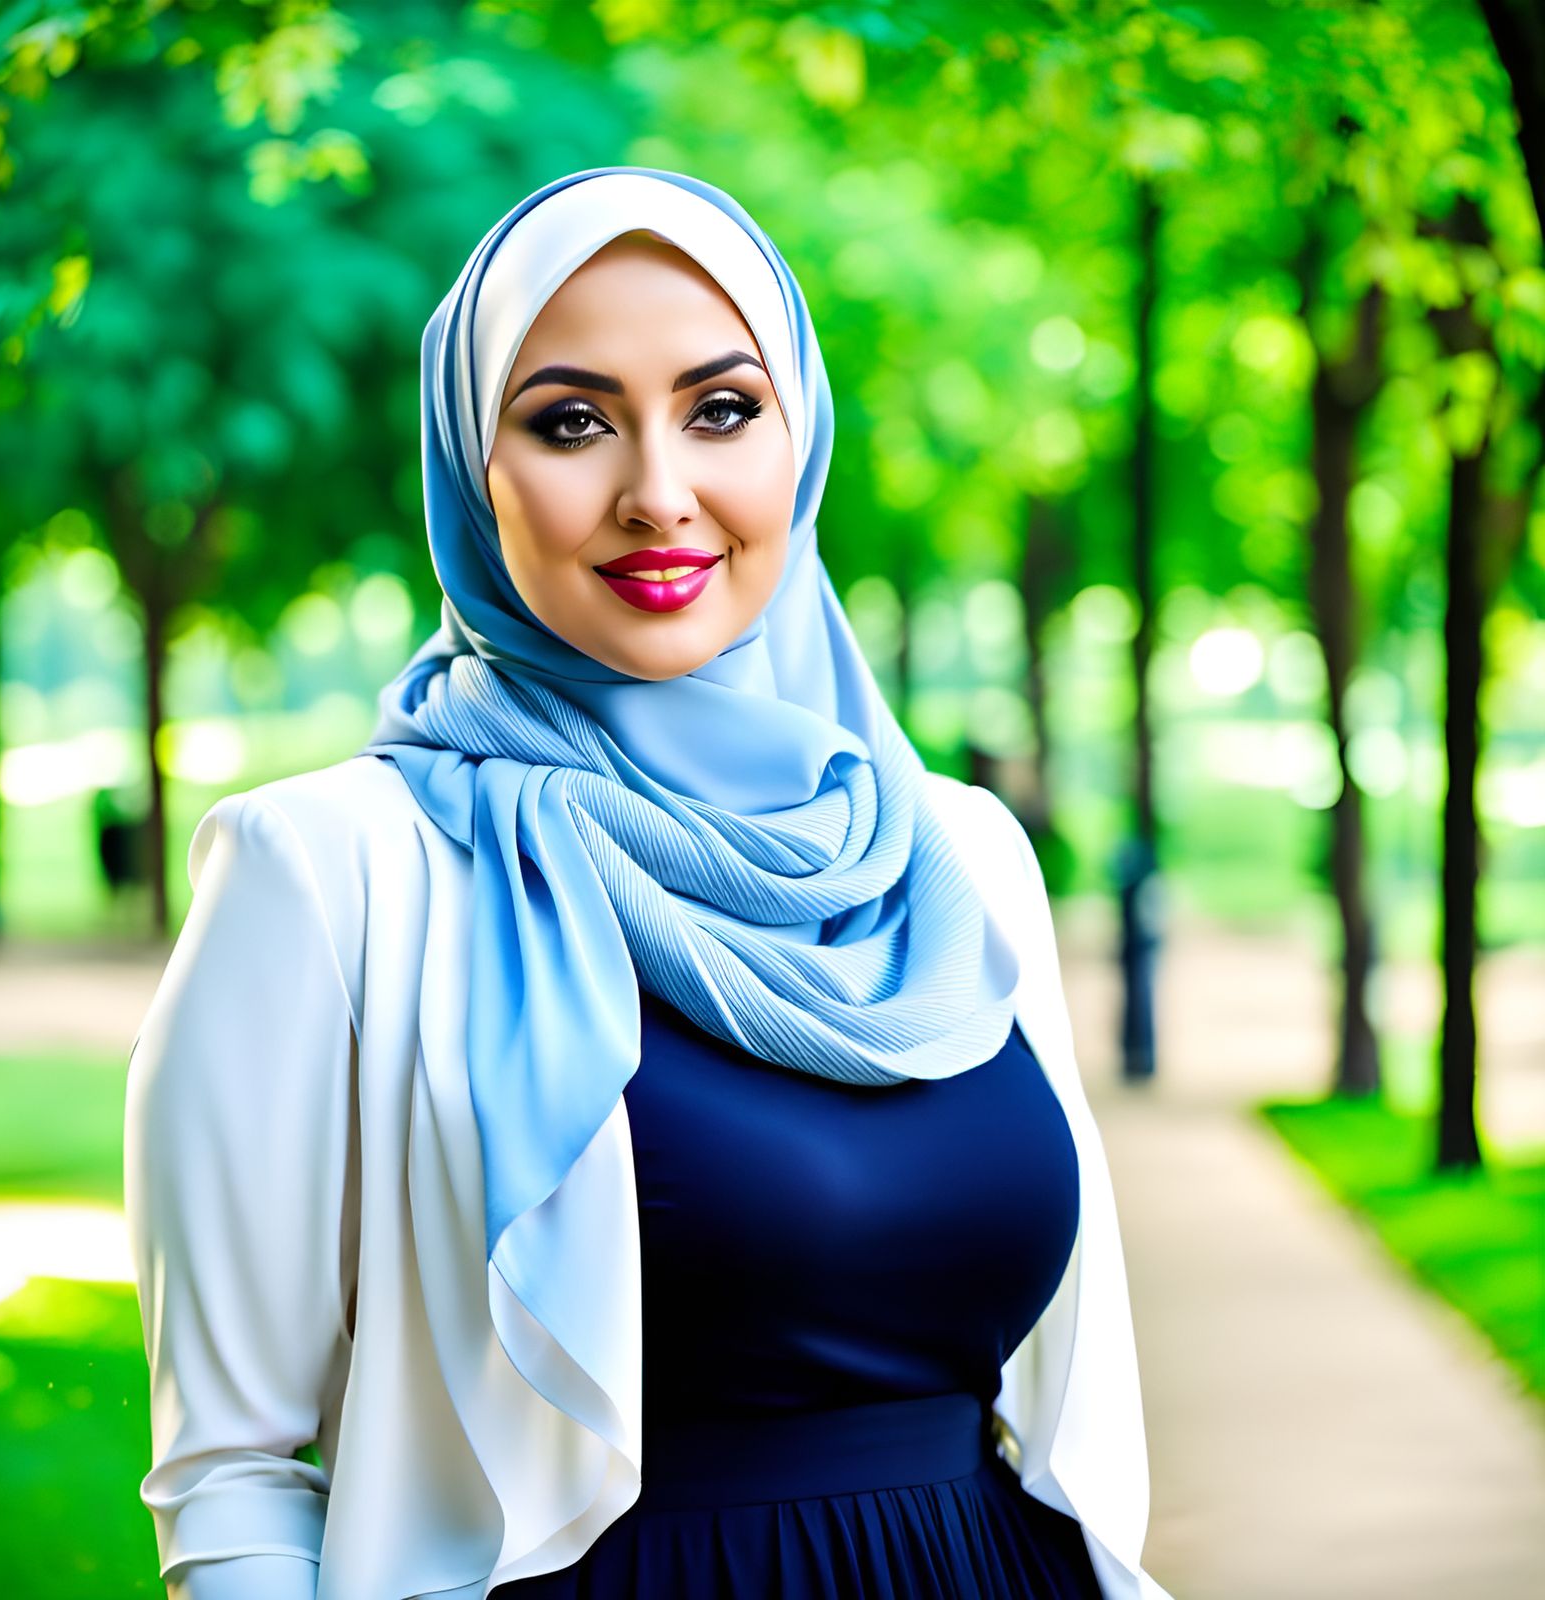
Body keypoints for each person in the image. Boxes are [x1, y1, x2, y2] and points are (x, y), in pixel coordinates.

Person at [124, 167, 1173, 1600]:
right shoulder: (326, 873)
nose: (658, 495)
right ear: (468, 470)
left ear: (798, 442)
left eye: (721, 409)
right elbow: (235, 1478)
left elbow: (1054, 1413)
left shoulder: (958, 850)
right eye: (569, 423)